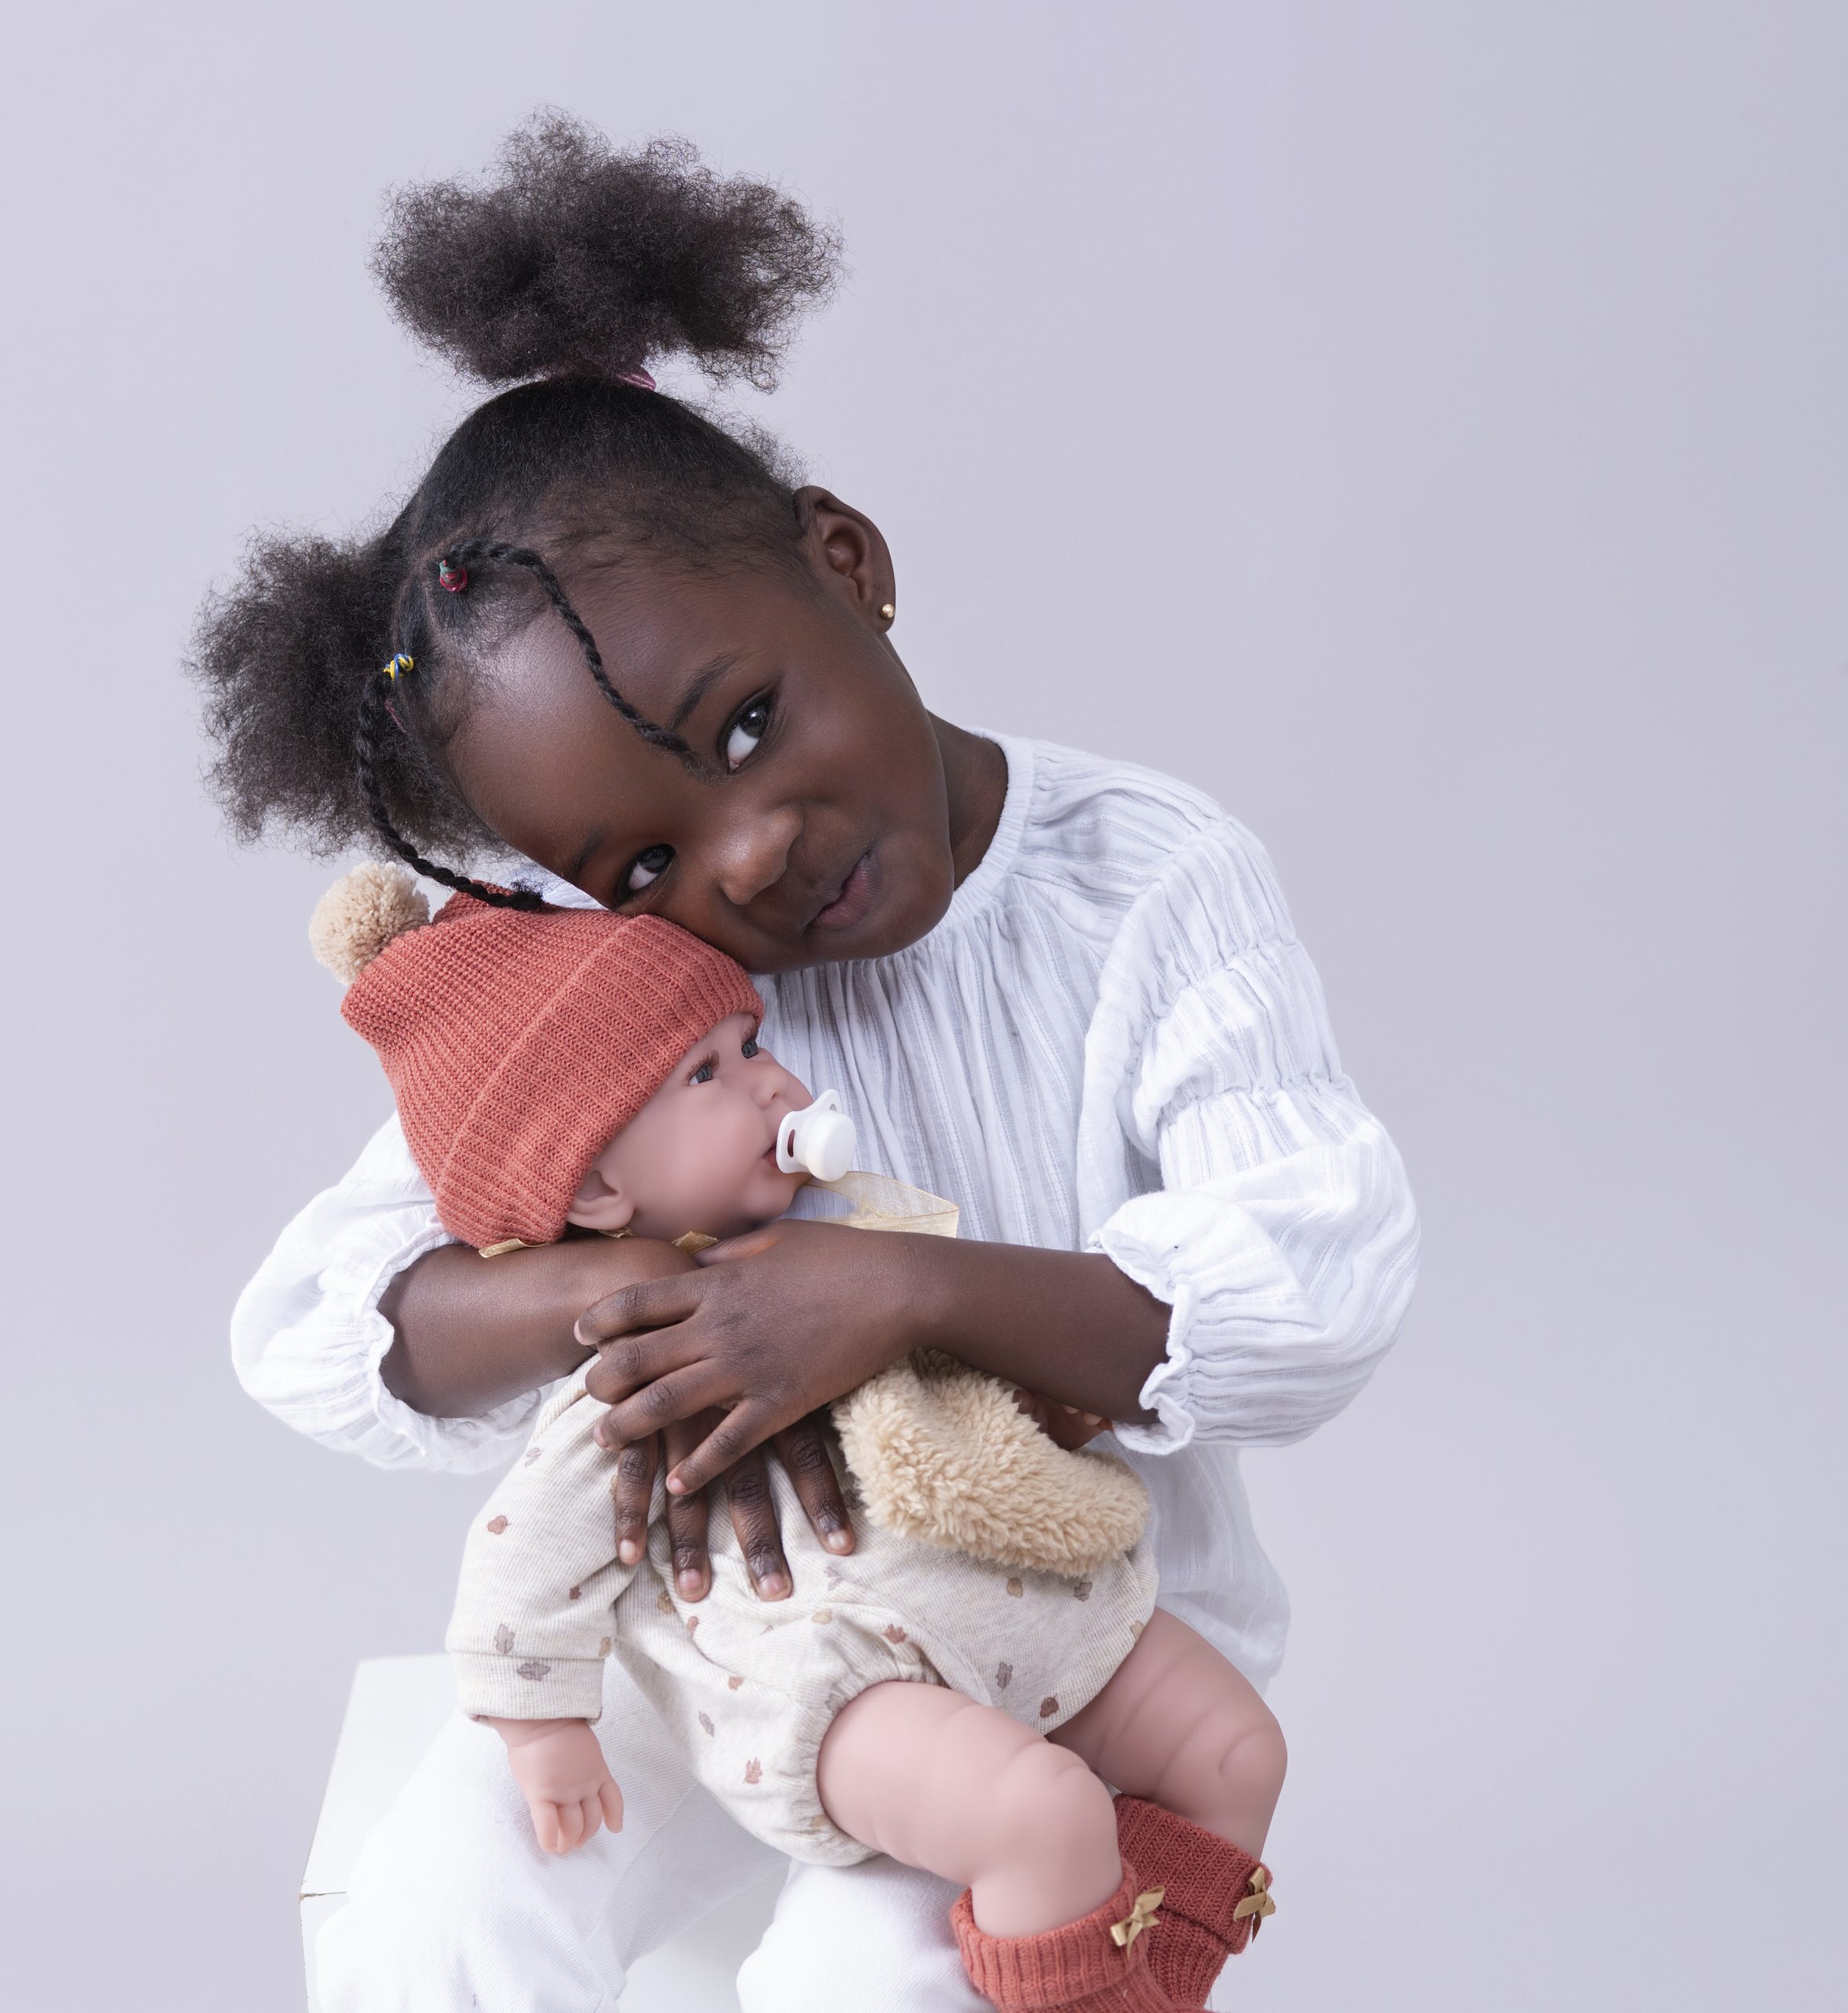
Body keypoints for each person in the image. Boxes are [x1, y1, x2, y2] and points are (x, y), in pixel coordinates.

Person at [199, 114, 1420, 2012]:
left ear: (846, 563)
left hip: (1056, 1647)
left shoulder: (1146, 881)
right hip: (712, 1643)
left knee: (866, 1972)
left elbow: (1315, 1288)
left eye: (747, 722)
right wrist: (642, 1289)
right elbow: (316, 1322)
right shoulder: (611, 965)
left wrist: (889, 1293)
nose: (744, 855)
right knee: (436, 1907)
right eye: (640, 862)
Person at [308, 864, 1280, 2009]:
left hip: (1028, 1608)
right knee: (1042, 1815)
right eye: (708, 1074)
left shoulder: (872, 1242)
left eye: (753, 1044)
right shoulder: (640, 1373)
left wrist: (1040, 1391)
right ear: (600, 1190)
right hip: (838, 1682)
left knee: (1237, 1753)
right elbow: (524, 1553)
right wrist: (545, 1725)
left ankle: (1147, 1985)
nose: (772, 1084)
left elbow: (973, 1381)